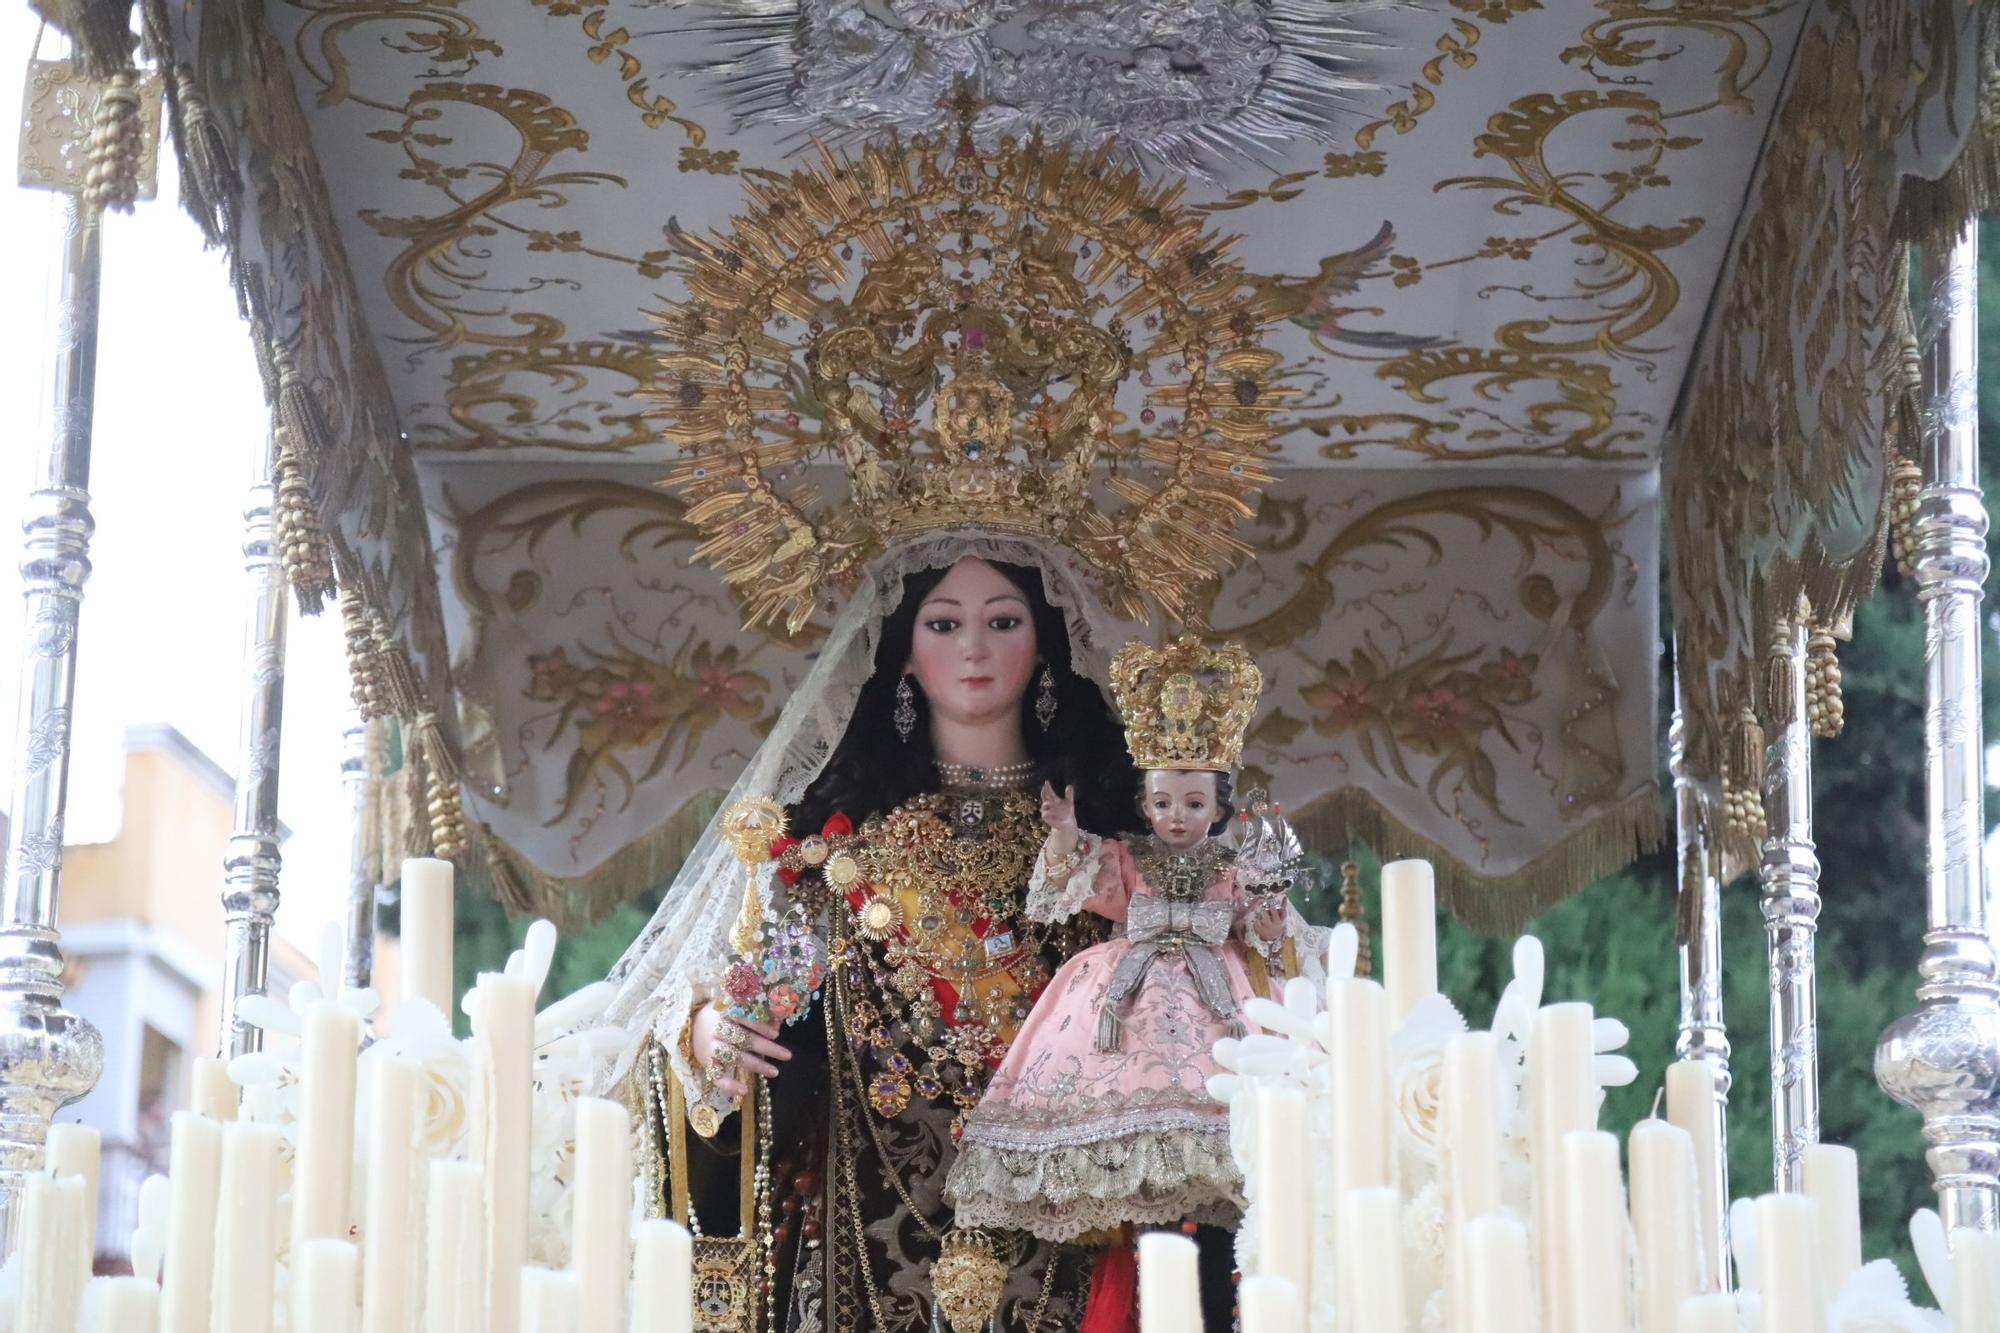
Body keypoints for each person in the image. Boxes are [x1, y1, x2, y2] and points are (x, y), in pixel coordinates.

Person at [599, 537, 1165, 1332]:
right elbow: (760, 994)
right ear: (901, 655)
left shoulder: (1108, 860)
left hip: (1077, 1252)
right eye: (942, 624)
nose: (974, 648)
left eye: (1004, 621)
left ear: (1044, 646)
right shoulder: (844, 865)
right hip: (866, 1262)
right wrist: (704, 1036)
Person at [945, 636, 1292, 1247]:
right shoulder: (1128, 857)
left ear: (1218, 809)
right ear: (1145, 805)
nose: (1177, 816)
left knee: (1230, 1098)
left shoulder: (1230, 866)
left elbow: (1254, 920)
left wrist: (1263, 929)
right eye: (1163, 802)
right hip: (1126, 985)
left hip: (1218, 993)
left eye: (1192, 802)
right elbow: (1076, 879)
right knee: (1115, 1078)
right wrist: (1064, 833)